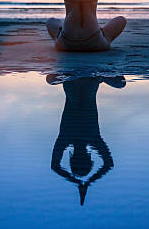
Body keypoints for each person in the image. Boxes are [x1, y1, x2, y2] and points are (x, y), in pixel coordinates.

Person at [47, 75, 125, 205]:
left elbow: (108, 164)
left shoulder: (92, 138)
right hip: (76, 78)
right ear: (71, 158)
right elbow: (55, 166)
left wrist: (87, 182)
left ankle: (96, 76)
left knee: (121, 83)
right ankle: (95, 75)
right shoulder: (68, 137)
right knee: (50, 80)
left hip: (82, 78)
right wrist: (77, 182)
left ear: (90, 158)